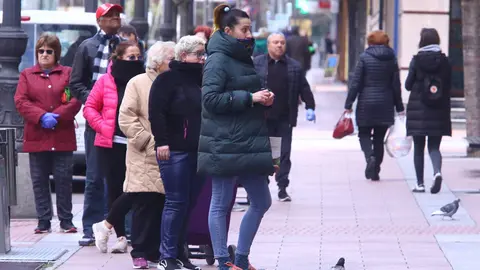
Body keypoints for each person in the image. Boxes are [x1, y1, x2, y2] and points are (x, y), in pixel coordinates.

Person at [198, 4, 276, 270]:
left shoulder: (239, 56)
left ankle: (240, 258)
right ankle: (223, 261)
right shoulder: (218, 58)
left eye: (250, 29)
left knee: (262, 200)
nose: (249, 34)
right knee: (220, 202)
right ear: (228, 31)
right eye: (244, 30)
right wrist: (250, 98)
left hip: (245, 140)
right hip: (225, 141)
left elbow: (238, 93)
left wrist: (260, 99)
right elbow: (209, 99)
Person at [14, 33, 82, 234]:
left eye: (48, 51)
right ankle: (43, 220)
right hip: (37, 135)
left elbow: (74, 99)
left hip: (62, 135)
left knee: (63, 179)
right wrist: (42, 116)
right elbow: (21, 101)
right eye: (41, 51)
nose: (44, 55)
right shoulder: (27, 74)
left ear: (56, 53)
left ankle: (66, 220)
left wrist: (58, 116)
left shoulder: (67, 73)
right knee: (39, 179)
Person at [149, 36, 206, 270]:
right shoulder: (167, 80)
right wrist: (162, 142)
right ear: (184, 56)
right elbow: (156, 112)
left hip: (198, 150)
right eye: (198, 54)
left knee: (189, 203)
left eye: (204, 54)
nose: (203, 58)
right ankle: (167, 256)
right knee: (175, 202)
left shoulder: (201, 80)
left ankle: (180, 254)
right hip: (174, 151)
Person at [69, 2, 124, 246]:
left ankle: (123, 228)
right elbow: (75, 82)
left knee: (123, 176)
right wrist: (92, 98)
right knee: (94, 176)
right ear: (99, 20)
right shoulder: (86, 47)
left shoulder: (127, 47)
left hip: (122, 119)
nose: (115, 19)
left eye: (117, 15)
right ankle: (90, 227)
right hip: (96, 119)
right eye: (110, 16)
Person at [84, 41, 145, 254]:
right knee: (116, 189)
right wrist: (104, 127)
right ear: (118, 58)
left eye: (138, 56)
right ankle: (121, 237)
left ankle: (110, 226)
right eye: (131, 57)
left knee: (138, 189)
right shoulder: (105, 82)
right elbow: (90, 107)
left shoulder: (143, 81)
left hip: (138, 143)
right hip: (112, 144)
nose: (136, 61)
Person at [254, 32, 316, 202]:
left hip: (284, 117)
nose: (279, 45)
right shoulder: (257, 64)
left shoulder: (294, 66)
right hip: (262, 118)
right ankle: (262, 186)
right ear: (268, 45)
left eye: (282, 42)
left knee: (283, 154)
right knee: (264, 153)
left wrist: (310, 106)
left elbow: (304, 87)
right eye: (275, 42)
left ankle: (282, 187)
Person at [344, 30, 404, 181]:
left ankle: (369, 156)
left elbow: (356, 82)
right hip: (385, 103)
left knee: (364, 134)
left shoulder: (364, 57)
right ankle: (375, 170)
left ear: (369, 42)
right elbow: (396, 85)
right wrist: (400, 107)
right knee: (378, 138)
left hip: (366, 102)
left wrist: (349, 103)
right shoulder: (392, 58)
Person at [405, 28, 451, 194]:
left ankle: (420, 184)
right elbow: (448, 86)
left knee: (418, 147)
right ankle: (437, 172)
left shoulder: (416, 61)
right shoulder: (444, 61)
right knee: (434, 146)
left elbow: (408, 85)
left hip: (419, 110)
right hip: (438, 110)